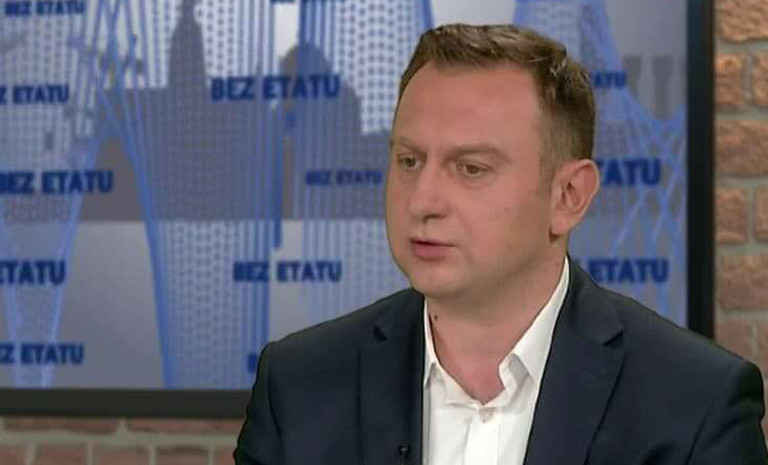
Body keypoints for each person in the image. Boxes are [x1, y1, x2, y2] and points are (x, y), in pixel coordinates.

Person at [235, 23, 767, 465]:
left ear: (568, 196)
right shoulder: (298, 387)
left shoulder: (694, 407)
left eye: (470, 168)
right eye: (409, 161)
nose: (423, 200)